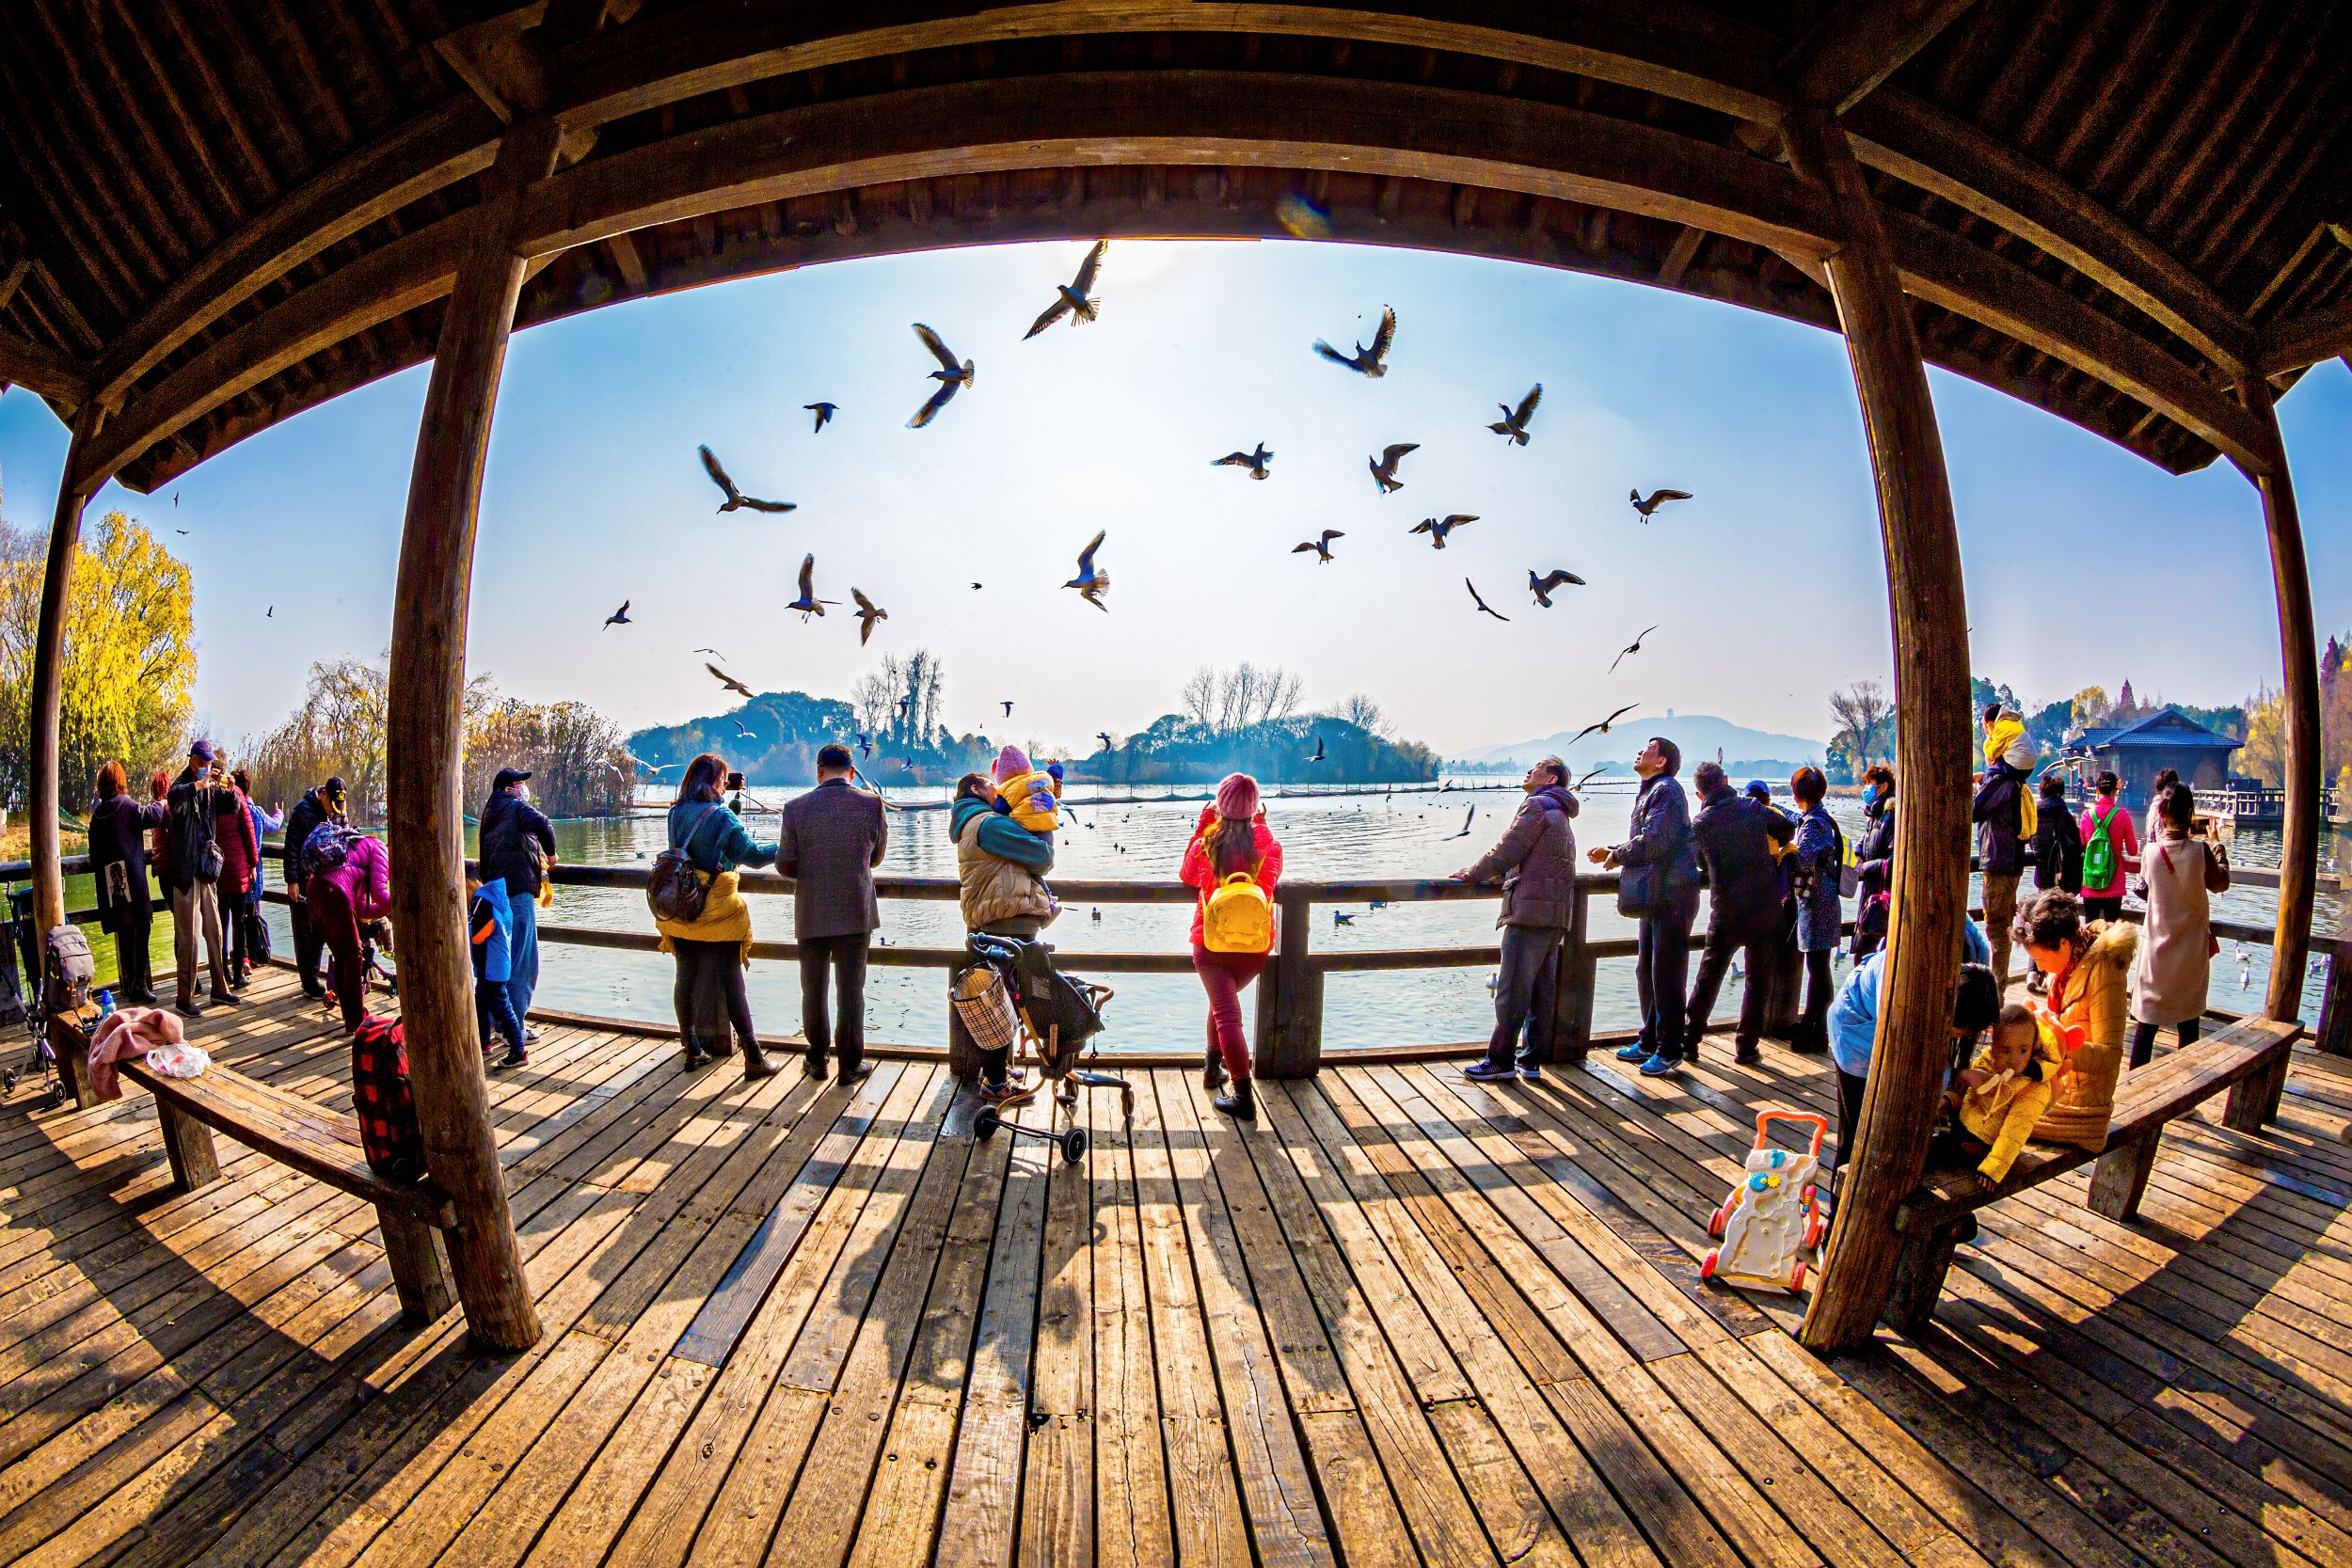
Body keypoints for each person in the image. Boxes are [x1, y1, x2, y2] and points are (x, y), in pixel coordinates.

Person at [1824, 927, 1996, 1169]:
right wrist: (1941, 1093)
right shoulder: (1902, 986)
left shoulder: (1973, 963)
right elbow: (1907, 1058)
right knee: (1856, 1136)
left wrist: (1955, 1079)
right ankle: (1840, 1206)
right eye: (1960, 1029)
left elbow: (1932, 1054)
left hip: (1895, 1028)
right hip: (1855, 1036)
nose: (1962, 1036)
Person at [1454, 758, 1578, 1084]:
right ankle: (1530, 1060)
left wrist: (1473, 873)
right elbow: (1536, 859)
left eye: (1536, 768)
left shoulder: (1537, 805)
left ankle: (1500, 1059)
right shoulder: (1560, 812)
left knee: (1511, 988)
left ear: (1551, 778)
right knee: (1540, 987)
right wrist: (1504, 877)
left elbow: (1508, 849)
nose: (1528, 771)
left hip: (1531, 911)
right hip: (1556, 911)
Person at [655, 753, 779, 1079]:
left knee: (685, 978)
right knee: (732, 981)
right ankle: (753, 1055)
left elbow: (696, 842)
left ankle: (692, 1047)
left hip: (680, 906)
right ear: (713, 782)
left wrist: (729, 811)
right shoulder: (722, 817)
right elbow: (750, 855)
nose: (727, 783)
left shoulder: (675, 812)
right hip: (716, 911)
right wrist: (787, 849)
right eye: (724, 778)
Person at [779, 743, 888, 1084]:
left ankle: (816, 1060)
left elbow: (784, 864)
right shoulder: (872, 804)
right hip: (855, 910)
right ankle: (851, 1065)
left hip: (811, 910)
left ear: (819, 771)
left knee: (813, 990)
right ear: (852, 772)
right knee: (851, 992)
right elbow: (877, 857)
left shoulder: (795, 808)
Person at [950, 767, 1058, 1101]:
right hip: (1006, 923)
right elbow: (1042, 856)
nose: (997, 789)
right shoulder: (989, 824)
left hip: (991, 921)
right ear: (975, 789)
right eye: (990, 784)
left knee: (1001, 998)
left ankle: (996, 1072)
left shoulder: (971, 823)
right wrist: (1043, 820)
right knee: (1003, 1000)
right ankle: (996, 1083)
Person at [1595, 737, 1700, 1077]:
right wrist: (1614, 849)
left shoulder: (1666, 790)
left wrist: (1617, 856)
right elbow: (1651, 836)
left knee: (1666, 974)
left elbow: (1657, 840)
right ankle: (1650, 1039)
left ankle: (1670, 1049)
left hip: (1672, 894)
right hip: (1656, 896)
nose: (1639, 751)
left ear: (1661, 761)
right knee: (1648, 970)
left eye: (1648, 748)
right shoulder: (1653, 789)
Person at [1182, 772, 1283, 1119]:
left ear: (1220, 805)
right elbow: (1269, 884)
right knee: (1222, 1005)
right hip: (1253, 946)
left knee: (1226, 1014)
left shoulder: (1206, 844)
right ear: (1256, 807)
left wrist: (1202, 827)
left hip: (1210, 944)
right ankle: (1213, 1069)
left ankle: (1243, 1095)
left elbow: (1186, 875)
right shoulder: (1269, 845)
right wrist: (1261, 828)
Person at [1679, 762, 1792, 1066]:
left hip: (1726, 910)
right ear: (1726, 781)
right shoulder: (1752, 809)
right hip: (1764, 908)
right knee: (1757, 980)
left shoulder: (1701, 824)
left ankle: (1689, 1042)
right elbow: (1786, 829)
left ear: (1698, 792)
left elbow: (1699, 863)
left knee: (1709, 977)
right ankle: (1745, 1047)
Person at [2011, 887, 2137, 1150]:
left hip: (2081, 1112)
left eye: (2040, 959)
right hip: (2060, 1089)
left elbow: (2111, 1056)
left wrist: (2056, 1045)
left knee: (1994, 1122)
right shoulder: (2068, 966)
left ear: (2064, 944)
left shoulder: (2104, 972)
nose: (2041, 968)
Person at [2127, 782, 2230, 1069]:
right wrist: (2217, 844)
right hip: (2190, 948)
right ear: (2190, 813)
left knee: (2146, 1025)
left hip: (2156, 949)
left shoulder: (2150, 852)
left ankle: (2134, 1087)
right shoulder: (2200, 852)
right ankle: (2185, 1089)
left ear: (2161, 814)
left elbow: (2147, 889)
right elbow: (2220, 883)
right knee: (2188, 1022)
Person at [1931, 1003, 2059, 1189]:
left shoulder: (2034, 1088)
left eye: (2023, 1050)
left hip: (1984, 1144)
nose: (2014, 1060)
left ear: (2033, 1047)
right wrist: (1950, 1100)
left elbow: (2015, 1132)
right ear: (1994, 1045)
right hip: (1962, 1125)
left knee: (1935, 1150)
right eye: (2006, 1050)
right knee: (1928, 1123)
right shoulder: (1987, 1062)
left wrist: (1993, 1168)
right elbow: (1965, 1092)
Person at [479, 767, 557, 1036]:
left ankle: (496, 1022)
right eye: (518, 784)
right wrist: (552, 854)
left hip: (497, 892)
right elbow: (543, 823)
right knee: (524, 962)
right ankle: (515, 1027)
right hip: (518, 891)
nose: (522, 788)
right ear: (507, 789)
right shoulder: (514, 807)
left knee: (500, 960)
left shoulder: (491, 811)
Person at [163, 740, 238, 1016]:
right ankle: (184, 998)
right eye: (203, 762)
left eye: (210, 762)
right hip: (185, 871)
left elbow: (232, 808)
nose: (208, 766)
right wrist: (199, 785)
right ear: (193, 759)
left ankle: (220, 989)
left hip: (206, 868)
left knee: (215, 930)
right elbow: (173, 799)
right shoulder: (183, 783)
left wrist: (231, 789)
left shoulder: (211, 785)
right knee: (189, 938)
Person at [87, 761, 168, 1005]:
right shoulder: (128, 805)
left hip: (112, 879)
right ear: (121, 782)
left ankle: (131, 983)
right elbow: (152, 816)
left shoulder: (98, 815)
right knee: (142, 927)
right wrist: (161, 802)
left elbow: (93, 852)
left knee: (124, 931)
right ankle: (139, 984)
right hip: (132, 876)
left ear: (101, 786)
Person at [307, 828, 391, 1034]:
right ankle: (356, 1020)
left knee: (343, 957)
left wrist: (388, 910)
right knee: (353, 956)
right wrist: (399, 906)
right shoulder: (379, 849)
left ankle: (351, 1018)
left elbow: (362, 908)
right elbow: (380, 893)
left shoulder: (355, 849)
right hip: (333, 894)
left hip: (314, 892)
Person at [1971, 715, 2030, 990]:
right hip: (2011, 862)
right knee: (2001, 926)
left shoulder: (2000, 780)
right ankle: (1998, 988)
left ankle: (1996, 992)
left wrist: (1981, 785)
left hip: (1998, 862)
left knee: (1997, 929)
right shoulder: (2015, 781)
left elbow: (1974, 811)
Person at [1788, 766, 1842, 1051]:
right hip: (1823, 900)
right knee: (1819, 967)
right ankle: (1813, 1024)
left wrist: (1783, 851)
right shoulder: (1816, 818)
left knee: (1819, 968)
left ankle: (1818, 1032)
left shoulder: (1814, 824)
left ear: (1798, 793)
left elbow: (1804, 858)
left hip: (1817, 902)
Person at [281, 776, 348, 999]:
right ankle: (308, 982)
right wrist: (292, 881)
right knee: (303, 932)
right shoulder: (302, 811)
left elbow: (345, 841)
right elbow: (290, 847)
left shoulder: (339, 813)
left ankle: (315, 974)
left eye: (339, 808)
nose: (334, 812)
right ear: (323, 795)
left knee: (320, 930)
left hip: (326, 882)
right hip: (303, 880)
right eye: (332, 806)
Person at [212, 764, 263, 989]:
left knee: (221, 923)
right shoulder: (237, 795)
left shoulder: (208, 796)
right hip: (239, 866)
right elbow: (248, 829)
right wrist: (253, 863)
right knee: (239, 922)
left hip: (217, 868)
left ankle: (222, 971)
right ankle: (237, 973)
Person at [469, 876, 527, 1067]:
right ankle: (483, 1042)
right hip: (495, 964)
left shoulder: (484, 902)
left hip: (491, 967)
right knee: (481, 1003)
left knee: (503, 1008)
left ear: (466, 884)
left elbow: (478, 936)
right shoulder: (495, 898)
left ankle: (519, 1051)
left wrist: (466, 925)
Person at [2075, 770, 2139, 925]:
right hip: (2114, 880)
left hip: (2091, 880)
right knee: (2112, 936)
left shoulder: (2086, 815)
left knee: (2090, 931)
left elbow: (2082, 845)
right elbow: (2133, 850)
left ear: (2097, 790)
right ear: (2114, 791)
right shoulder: (2122, 814)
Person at [1851, 764, 1897, 960]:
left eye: (1870, 784)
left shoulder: (1892, 817)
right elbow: (1865, 841)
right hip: (1870, 895)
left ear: (1883, 787)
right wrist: (1858, 854)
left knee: (1869, 956)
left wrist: (1864, 868)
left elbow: (1895, 860)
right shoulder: (1874, 816)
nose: (1866, 790)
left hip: (1881, 899)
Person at [2145, 767, 2180, 845]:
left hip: (2152, 851)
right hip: (2161, 850)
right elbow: (2161, 837)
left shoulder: (2154, 804)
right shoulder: (2165, 806)